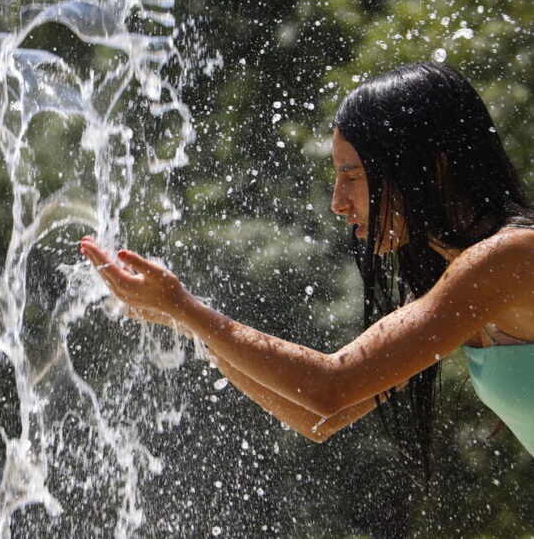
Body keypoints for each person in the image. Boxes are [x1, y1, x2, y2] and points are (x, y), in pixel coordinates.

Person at [79, 62, 534, 468]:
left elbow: (329, 385)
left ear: (430, 168)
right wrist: (187, 322)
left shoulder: (508, 259)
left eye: (353, 176)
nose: (339, 202)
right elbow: (320, 417)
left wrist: (185, 308)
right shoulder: (454, 282)